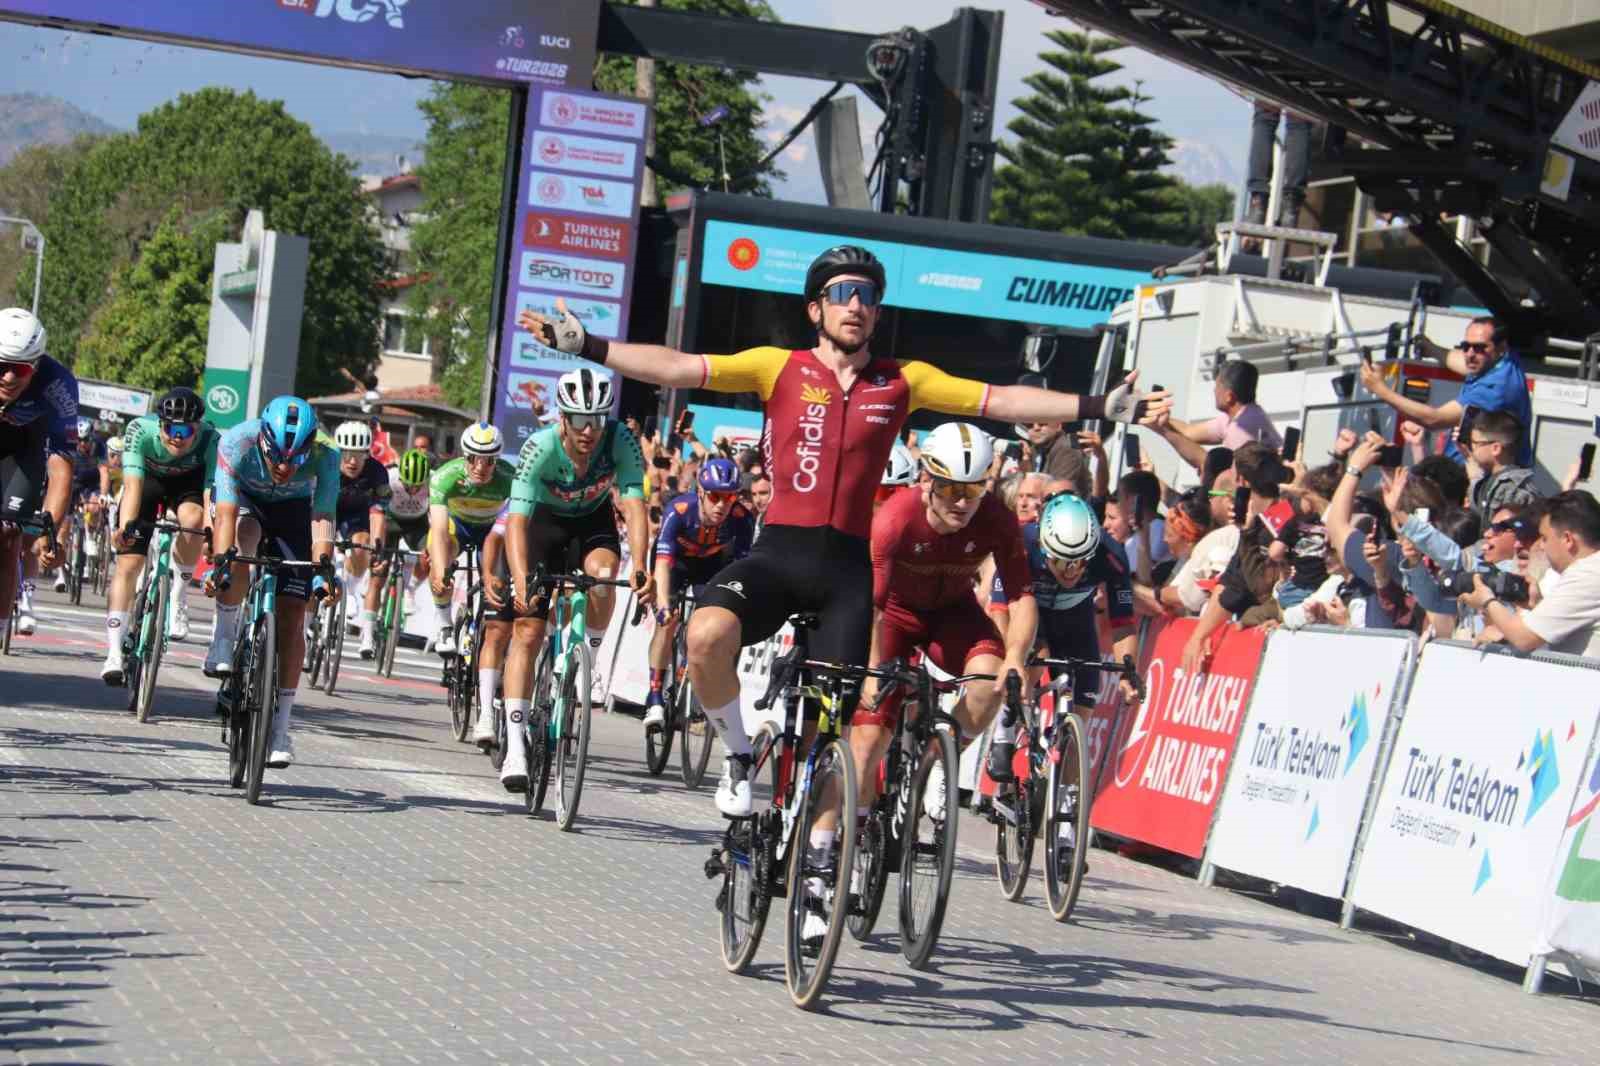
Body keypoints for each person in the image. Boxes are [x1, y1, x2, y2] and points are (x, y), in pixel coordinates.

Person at [516, 243, 1168, 817]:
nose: (856, 305)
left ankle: (821, 854)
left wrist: (1098, 405)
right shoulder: (776, 366)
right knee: (705, 634)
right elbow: (678, 366)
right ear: (815, 309)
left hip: (849, 572)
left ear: (877, 314)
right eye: (842, 293)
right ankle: (739, 752)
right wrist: (589, 346)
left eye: (868, 296)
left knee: (840, 729)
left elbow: (999, 400)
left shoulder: (903, 380)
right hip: (778, 555)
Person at [494, 367, 649, 789]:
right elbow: (517, 522)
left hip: (593, 522)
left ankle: (588, 661)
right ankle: (515, 747)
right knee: (528, 630)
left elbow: (634, 505)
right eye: (580, 420)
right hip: (543, 525)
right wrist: (522, 580)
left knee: (604, 575)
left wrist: (641, 565)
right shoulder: (540, 447)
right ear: (562, 418)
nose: (589, 430)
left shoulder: (620, 439)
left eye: (596, 420)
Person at [203, 396, 341, 768]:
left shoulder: (327, 455)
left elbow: (323, 516)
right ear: (262, 439)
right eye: (276, 456)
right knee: (242, 542)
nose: (283, 467)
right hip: (244, 500)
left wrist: (323, 567)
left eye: (295, 460)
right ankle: (223, 639)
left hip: (294, 510)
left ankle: (280, 729)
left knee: (294, 614)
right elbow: (226, 513)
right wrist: (222, 563)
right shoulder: (237, 441)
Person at [988, 490, 1140, 780]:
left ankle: (1066, 796)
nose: (1071, 571)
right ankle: (1005, 728)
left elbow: (1122, 623)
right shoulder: (1022, 544)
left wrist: (1127, 672)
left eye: (1080, 562)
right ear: (1044, 548)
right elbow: (1000, 610)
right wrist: (1013, 659)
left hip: (1075, 620)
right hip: (1027, 612)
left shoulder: (1111, 554)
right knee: (1032, 660)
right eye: (1061, 562)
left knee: (1082, 714)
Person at [101, 388, 219, 683]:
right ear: (160, 424)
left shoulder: (210, 439)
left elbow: (210, 494)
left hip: (188, 485)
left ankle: (178, 595)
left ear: (197, 428)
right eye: (170, 429)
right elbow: (133, 486)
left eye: (185, 431)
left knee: (194, 520)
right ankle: (114, 652)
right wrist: (126, 528)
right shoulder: (140, 430)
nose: (177, 437)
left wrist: (210, 534)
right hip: (148, 483)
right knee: (128, 564)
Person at [644, 456, 756, 732]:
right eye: (715, 496)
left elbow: (740, 571)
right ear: (701, 492)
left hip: (711, 566)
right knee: (666, 622)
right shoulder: (679, 509)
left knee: (713, 620)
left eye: (730, 498)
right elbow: (662, 563)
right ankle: (655, 694)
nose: (722, 505)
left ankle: (692, 677)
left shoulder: (742, 518)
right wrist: (662, 605)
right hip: (675, 564)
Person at [1362, 316, 1532, 466]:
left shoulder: (1496, 390)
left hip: (1484, 479)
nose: (1470, 354)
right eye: (1466, 346)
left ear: (1501, 347)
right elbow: (1464, 362)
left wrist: (1380, 389)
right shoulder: (1505, 363)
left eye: (1479, 348)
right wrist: (1432, 349)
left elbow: (1435, 419)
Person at [0, 308, 74, 637]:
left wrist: (50, 533)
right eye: (1, 367)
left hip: (22, 447)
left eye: (20, 369)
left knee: (8, 534)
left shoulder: (58, 385)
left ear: (37, 365)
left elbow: (61, 471)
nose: (8, 378)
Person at [1462, 491, 1600, 657]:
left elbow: (1524, 639)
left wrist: (1486, 601)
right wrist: (1535, 604)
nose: (1541, 546)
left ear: (1567, 539)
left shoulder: (1587, 574)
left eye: (1544, 538)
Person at [426, 423, 515, 657]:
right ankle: (444, 625)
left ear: (497, 459)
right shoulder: (445, 476)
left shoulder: (510, 478)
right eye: (473, 458)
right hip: (457, 527)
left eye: (489, 460)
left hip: (490, 530)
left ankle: (486, 631)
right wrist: (441, 571)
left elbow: (516, 525)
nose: (480, 467)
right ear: (464, 455)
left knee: (497, 584)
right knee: (439, 561)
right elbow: (439, 530)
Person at [361, 447, 433, 660]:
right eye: (408, 485)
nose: (413, 490)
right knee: (377, 578)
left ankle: (410, 588)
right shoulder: (390, 478)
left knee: (430, 556)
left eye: (418, 486)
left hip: (417, 523)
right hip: (390, 521)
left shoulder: (434, 480)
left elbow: (437, 516)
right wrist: (377, 548)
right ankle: (367, 635)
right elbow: (377, 514)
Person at [330, 421, 392, 657]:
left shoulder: (377, 472)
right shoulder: (327, 465)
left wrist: (377, 549)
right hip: (327, 510)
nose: (352, 461)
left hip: (356, 516)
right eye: (346, 454)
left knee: (363, 544)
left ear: (368, 454)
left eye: (359, 455)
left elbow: (378, 513)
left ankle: (352, 591)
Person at [1154, 360, 1281, 470]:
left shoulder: (1241, 430)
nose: (1214, 390)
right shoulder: (1240, 415)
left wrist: (1159, 427)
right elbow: (1189, 431)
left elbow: (1220, 473)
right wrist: (1155, 413)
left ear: (1229, 396)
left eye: (1217, 386)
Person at [1463, 410, 1538, 525]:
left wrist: (1474, 479)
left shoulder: (1512, 488)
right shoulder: (1488, 479)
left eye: (1475, 443)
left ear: (1496, 448)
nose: (1471, 448)